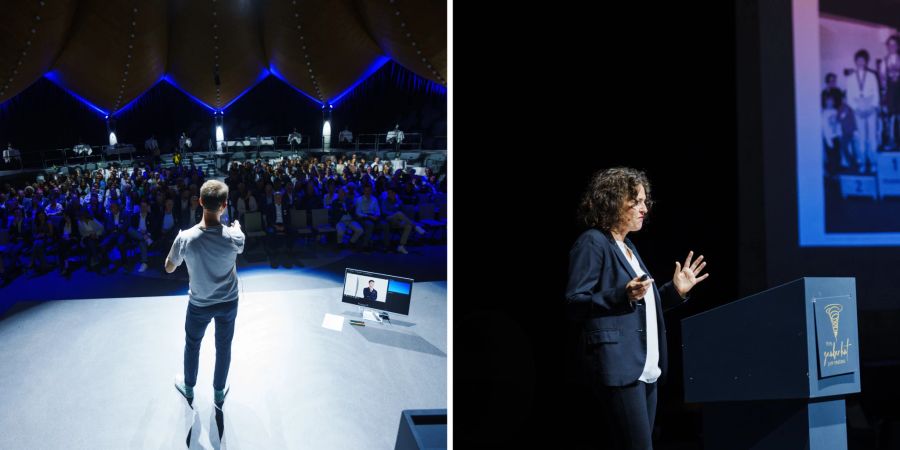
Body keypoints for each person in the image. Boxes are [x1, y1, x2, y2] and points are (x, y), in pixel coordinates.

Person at [565, 167, 709, 450]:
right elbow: (574, 303)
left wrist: (674, 292)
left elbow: (640, 306)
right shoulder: (593, 242)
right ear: (615, 201)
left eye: (646, 202)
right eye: (638, 202)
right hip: (619, 367)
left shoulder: (627, 246)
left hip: (645, 369)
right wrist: (621, 294)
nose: (645, 209)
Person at [169, 180, 245, 410]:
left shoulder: (185, 238)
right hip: (228, 303)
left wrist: (178, 247)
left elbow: (169, 267)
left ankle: (189, 386)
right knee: (224, 347)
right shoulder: (235, 236)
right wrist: (237, 227)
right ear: (224, 205)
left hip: (199, 304)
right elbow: (238, 243)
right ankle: (219, 392)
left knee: (192, 345)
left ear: (200, 201)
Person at [846, 49, 880, 173]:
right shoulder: (850, 78)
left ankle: (874, 162)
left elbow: (876, 94)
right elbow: (849, 97)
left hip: (871, 108)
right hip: (858, 109)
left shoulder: (872, 76)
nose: (861, 62)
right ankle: (863, 163)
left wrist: (872, 108)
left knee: (872, 137)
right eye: (858, 60)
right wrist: (857, 110)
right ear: (855, 62)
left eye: (863, 60)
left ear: (866, 62)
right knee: (861, 137)